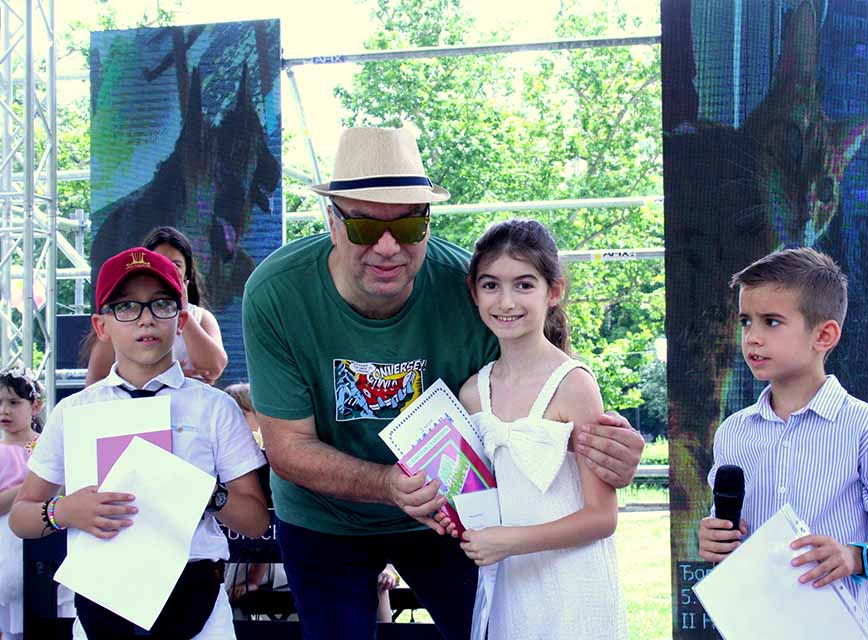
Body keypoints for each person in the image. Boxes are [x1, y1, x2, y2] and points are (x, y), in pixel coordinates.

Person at [241, 126, 645, 639]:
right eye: (365, 226)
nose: (388, 246)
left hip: (452, 513)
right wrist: (388, 485)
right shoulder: (276, 293)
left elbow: (532, 389)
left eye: (410, 224)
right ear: (332, 221)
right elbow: (288, 448)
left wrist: (600, 445)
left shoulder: (469, 287)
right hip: (324, 519)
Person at [11, 247, 269, 639]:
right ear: (101, 326)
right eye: (126, 307)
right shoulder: (74, 412)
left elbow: (255, 521)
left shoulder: (214, 407)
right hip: (101, 595)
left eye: (161, 304)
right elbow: (21, 516)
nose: (146, 318)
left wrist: (206, 493)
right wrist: (64, 510)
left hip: (195, 601)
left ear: (181, 320)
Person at [697, 247, 868, 638]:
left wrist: (853, 557)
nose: (752, 338)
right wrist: (714, 537)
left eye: (772, 322)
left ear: (824, 335)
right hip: (760, 626)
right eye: (745, 321)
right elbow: (725, 525)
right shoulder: (733, 432)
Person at [444, 218, 628, 639]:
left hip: (574, 588)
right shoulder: (473, 393)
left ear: (554, 291)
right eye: (491, 285)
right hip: (511, 588)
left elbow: (602, 517)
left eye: (524, 285)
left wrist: (508, 541)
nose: (506, 301)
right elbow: (479, 496)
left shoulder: (574, 385)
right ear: (474, 292)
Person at [86, 226, 227, 386]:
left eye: (175, 265)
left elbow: (213, 368)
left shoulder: (200, 316)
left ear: (187, 274)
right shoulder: (117, 320)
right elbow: (95, 381)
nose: (146, 320)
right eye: (158, 262)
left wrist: (182, 309)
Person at [0, 368, 43, 640]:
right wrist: (31, 486)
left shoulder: (48, 446)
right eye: (0, 403)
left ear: (35, 406)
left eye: (14, 402)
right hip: (7, 543)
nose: (4, 410)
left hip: (48, 532)